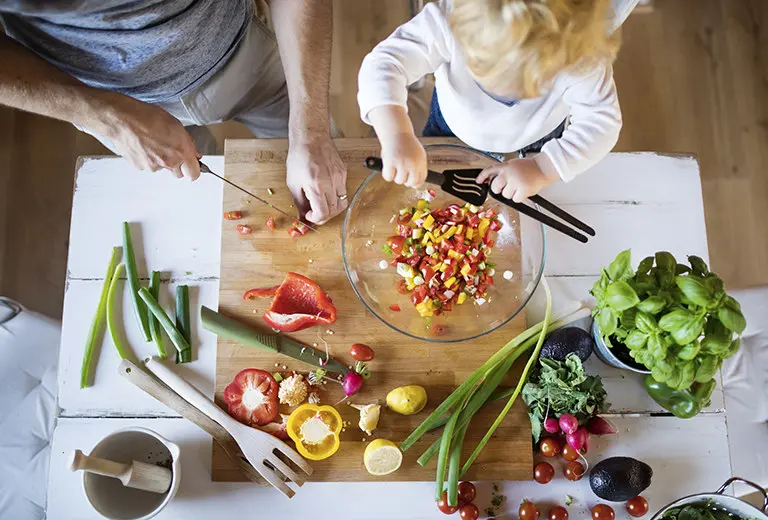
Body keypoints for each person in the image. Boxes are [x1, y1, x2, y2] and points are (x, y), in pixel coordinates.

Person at [0, 0, 347, 225]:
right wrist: (109, 118)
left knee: (328, 177)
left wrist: (311, 133)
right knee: (199, 208)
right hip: (106, 99)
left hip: (240, 49)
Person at [357, 0, 638, 203]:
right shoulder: (453, 16)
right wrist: (397, 135)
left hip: (539, 136)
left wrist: (543, 169)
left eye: (529, 85)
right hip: (452, 125)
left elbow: (601, 123)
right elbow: (385, 63)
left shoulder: (582, 54)